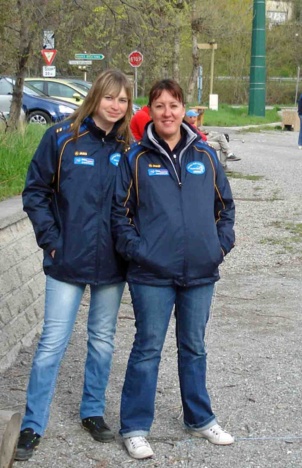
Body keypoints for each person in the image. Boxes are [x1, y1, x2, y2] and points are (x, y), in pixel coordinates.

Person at [112, 79, 236, 460]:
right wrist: (140, 252)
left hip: (200, 271)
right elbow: (120, 214)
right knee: (147, 348)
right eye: (160, 106)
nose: (168, 112)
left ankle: (199, 418)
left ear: (185, 110)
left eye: (174, 105)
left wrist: (218, 247)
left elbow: (225, 208)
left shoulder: (205, 155)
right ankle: (134, 427)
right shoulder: (136, 158)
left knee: (194, 347)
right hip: (151, 274)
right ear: (149, 111)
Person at [16, 69, 134, 462]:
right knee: (52, 344)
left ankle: (92, 412)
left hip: (111, 265)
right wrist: (50, 240)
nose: (115, 106)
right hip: (66, 260)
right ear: (96, 97)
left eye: (123, 100)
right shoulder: (62, 138)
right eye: (109, 97)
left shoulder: (128, 147)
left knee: (102, 342)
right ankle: (33, 424)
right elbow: (34, 191)